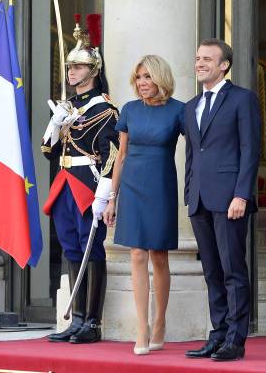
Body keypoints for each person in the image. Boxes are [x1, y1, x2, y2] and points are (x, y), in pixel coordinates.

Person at [41, 14, 119, 344]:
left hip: (88, 183)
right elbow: (48, 150)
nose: (72, 72)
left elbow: (112, 155)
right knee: (72, 248)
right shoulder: (67, 106)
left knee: (91, 250)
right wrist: (55, 125)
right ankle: (76, 319)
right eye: (70, 67)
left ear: (94, 71)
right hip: (64, 181)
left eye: (79, 67)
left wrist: (106, 193)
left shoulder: (105, 110)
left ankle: (92, 322)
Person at [183, 39, 261, 362]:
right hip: (199, 199)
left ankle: (235, 339)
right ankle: (217, 335)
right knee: (212, 272)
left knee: (232, 271)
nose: (200, 63)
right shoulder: (191, 106)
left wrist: (242, 193)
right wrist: (189, 191)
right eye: (198, 58)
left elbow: (250, 149)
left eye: (207, 59)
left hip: (230, 199)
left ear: (224, 65)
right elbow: (192, 154)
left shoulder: (242, 99)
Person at [102, 55, 184, 355]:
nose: (143, 83)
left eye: (148, 77)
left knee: (159, 256)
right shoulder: (129, 110)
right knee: (137, 254)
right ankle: (142, 327)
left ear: (160, 78)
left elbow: (201, 148)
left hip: (161, 186)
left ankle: (160, 321)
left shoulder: (179, 111)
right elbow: (120, 156)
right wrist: (112, 198)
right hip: (133, 186)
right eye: (138, 77)